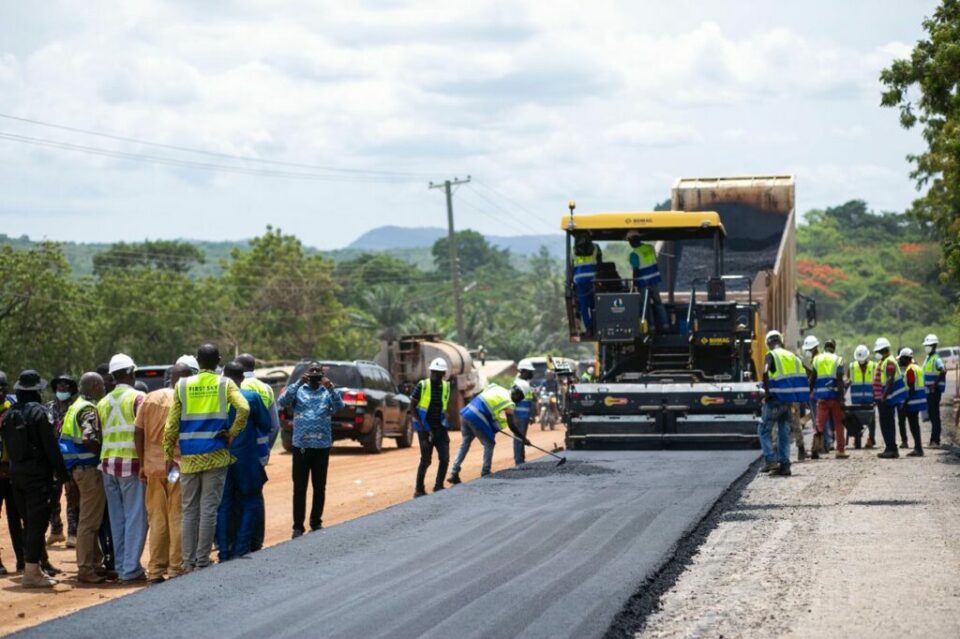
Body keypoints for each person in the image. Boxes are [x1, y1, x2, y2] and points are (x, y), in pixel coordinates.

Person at [164, 344, 249, 570]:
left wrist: (168, 454)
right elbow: (244, 409)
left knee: (189, 510)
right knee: (209, 509)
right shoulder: (225, 383)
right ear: (218, 360)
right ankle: (202, 561)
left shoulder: (182, 385)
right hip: (216, 455)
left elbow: (171, 424)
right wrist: (231, 433)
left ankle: (187, 562)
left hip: (189, 457)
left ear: (198, 361)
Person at [1, 370, 69, 587]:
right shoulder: (39, 414)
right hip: (37, 478)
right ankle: (31, 572)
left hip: (15, 476)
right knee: (37, 523)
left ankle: (33, 567)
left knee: (28, 522)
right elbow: (51, 448)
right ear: (36, 391)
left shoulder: (10, 414)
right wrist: (64, 474)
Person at [135, 363, 191, 584]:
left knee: (157, 519)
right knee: (177, 517)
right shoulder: (185, 400)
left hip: (153, 468)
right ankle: (176, 568)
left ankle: (156, 570)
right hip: (177, 468)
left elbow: (137, 432)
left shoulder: (150, 397)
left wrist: (141, 463)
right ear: (185, 379)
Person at [97, 353, 148, 583]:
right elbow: (143, 431)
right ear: (131, 373)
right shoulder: (139, 398)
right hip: (132, 465)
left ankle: (120, 566)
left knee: (117, 519)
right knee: (136, 517)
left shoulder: (102, 402)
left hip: (108, 465)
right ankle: (130, 570)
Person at [277, 361, 342, 538]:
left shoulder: (327, 391)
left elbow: (339, 407)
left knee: (319, 486)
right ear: (307, 373)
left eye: (317, 371)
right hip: (301, 446)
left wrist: (330, 387)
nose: (314, 374)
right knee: (299, 487)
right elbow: (282, 401)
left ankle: (316, 521)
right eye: (311, 371)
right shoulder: (299, 390)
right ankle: (297, 526)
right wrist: (298, 382)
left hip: (322, 446)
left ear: (322, 374)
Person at [59, 372, 111, 584]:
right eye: (101, 386)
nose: (104, 389)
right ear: (95, 386)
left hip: (76, 469)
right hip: (88, 469)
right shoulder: (88, 409)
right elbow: (89, 438)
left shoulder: (75, 406)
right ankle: (85, 569)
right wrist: (104, 452)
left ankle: (95, 563)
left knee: (87, 518)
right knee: (89, 521)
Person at [217, 362, 272, 561]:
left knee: (224, 504)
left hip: (221, 458)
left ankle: (224, 552)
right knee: (251, 500)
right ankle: (241, 547)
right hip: (246, 458)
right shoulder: (251, 397)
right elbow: (266, 425)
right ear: (242, 378)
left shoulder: (216, 398)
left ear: (224, 376)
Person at [235, 353, 278, 553]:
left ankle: (236, 542)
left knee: (234, 497)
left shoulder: (234, 387)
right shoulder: (265, 388)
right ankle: (256, 541)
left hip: (235, 451)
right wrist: (266, 449)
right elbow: (274, 426)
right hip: (259, 452)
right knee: (255, 496)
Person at [447, 384, 528, 483]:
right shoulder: (509, 402)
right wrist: (523, 438)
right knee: (489, 443)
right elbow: (512, 425)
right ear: (518, 395)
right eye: (519, 399)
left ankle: (454, 472)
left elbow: (481, 398)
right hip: (475, 417)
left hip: (466, 412)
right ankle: (485, 471)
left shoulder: (496, 387)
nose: (518, 401)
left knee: (465, 443)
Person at [760, 330, 807, 476]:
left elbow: (765, 372)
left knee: (763, 429)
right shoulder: (792, 356)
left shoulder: (771, 355)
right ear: (781, 341)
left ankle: (771, 460)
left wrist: (767, 393)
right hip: (789, 401)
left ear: (768, 343)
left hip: (775, 399)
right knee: (784, 432)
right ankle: (785, 465)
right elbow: (809, 372)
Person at [45, 373, 80, 548]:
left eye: (66, 386)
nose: (62, 388)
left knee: (72, 495)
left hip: (70, 458)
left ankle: (73, 533)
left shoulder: (75, 408)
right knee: (52, 495)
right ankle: (56, 530)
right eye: (59, 386)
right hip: (52, 459)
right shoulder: (48, 408)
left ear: (71, 390)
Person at [409, 358, 451, 497]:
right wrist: (421, 427)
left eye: (439, 373)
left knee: (444, 458)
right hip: (424, 427)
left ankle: (439, 486)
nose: (436, 375)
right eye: (434, 372)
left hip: (440, 427)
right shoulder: (423, 385)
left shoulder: (446, 386)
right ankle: (419, 490)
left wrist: (445, 426)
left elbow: (444, 406)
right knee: (426, 459)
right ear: (431, 372)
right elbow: (412, 406)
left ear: (444, 374)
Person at [0, 371, 24, 575]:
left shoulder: (13, 407)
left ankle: (22, 559)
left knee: (16, 516)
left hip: (13, 471)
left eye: (2, 388)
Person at [810, 338, 848, 459]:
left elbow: (812, 379)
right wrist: (842, 400)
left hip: (821, 397)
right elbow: (840, 380)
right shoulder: (838, 359)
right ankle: (840, 451)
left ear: (824, 348)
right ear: (834, 348)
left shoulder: (816, 359)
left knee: (819, 423)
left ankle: (815, 449)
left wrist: (809, 392)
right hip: (835, 397)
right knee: (838, 424)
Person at [873, 337, 907, 459]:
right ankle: (889, 447)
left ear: (885, 350)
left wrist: (883, 396)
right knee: (885, 423)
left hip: (887, 399)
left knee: (887, 423)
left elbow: (890, 379)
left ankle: (892, 448)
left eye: (879, 351)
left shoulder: (890, 362)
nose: (878, 353)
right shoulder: (884, 361)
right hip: (883, 398)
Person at [626, 230, 668, 328]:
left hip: (643, 283)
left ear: (632, 241)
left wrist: (634, 284)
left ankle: (651, 325)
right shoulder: (650, 248)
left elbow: (635, 271)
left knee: (646, 305)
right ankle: (665, 323)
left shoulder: (634, 254)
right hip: (654, 280)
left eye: (630, 241)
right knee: (658, 303)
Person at [847, 344, 877, 448]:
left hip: (870, 399)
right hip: (857, 401)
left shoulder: (874, 366)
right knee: (856, 420)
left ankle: (871, 439)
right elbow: (847, 382)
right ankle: (856, 437)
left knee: (871, 420)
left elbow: (878, 382)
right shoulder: (851, 367)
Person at [571, 233, 602, 334]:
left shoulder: (573, 250)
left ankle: (589, 328)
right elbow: (600, 264)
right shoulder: (595, 248)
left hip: (579, 282)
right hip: (593, 281)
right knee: (594, 305)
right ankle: (596, 326)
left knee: (584, 306)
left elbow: (571, 267)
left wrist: (571, 282)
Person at [898, 348, 925, 457]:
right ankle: (918, 447)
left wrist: (905, 403)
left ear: (905, 358)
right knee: (915, 425)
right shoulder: (917, 368)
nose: (900, 361)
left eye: (901, 359)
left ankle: (918, 448)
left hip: (912, 402)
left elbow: (911, 388)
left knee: (913, 425)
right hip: (918, 400)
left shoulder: (910, 370)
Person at [921, 334, 946, 447]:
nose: (926, 347)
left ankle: (935, 441)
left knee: (934, 416)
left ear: (933, 346)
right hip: (928, 392)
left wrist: (934, 385)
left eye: (928, 345)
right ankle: (933, 440)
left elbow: (943, 370)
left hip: (934, 392)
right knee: (931, 415)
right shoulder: (928, 358)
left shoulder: (936, 359)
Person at [512, 361, 537, 465]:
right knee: (518, 438)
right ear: (524, 371)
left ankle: (521, 459)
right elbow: (512, 400)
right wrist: (514, 416)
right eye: (530, 372)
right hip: (519, 416)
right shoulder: (518, 384)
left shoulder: (525, 383)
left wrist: (531, 415)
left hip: (525, 416)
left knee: (521, 438)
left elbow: (530, 400)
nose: (531, 374)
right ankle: (519, 461)